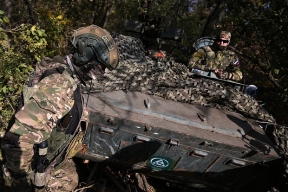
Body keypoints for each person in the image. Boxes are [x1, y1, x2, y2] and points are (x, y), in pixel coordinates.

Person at [1, 25, 119, 192]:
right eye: (100, 66)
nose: (101, 72)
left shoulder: (66, 74)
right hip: (25, 170)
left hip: (46, 160)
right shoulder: (58, 85)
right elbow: (17, 139)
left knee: (70, 178)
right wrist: (24, 180)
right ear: (86, 55)